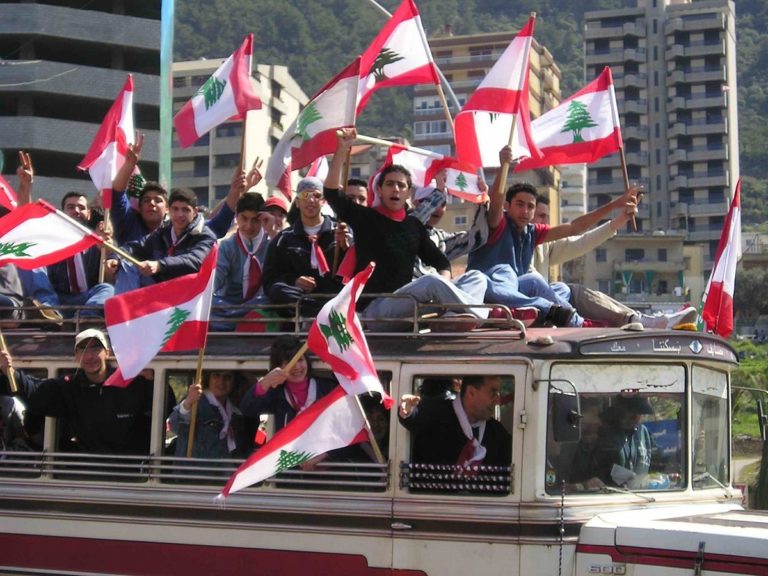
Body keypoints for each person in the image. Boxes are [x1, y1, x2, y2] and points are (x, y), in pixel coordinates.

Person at [324, 129, 488, 330]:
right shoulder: (365, 218)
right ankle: (482, 314)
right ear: (379, 190)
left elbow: (441, 261)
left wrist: (446, 282)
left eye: (401, 185)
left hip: (411, 304)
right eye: (390, 184)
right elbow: (332, 193)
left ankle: (453, 315)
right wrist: (341, 149)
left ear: (408, 193)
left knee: (477, 277)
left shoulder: (414, 226)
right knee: (430, 282)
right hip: (377, 309)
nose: (395, 189)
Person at [467, 146, 638, 327]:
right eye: (519, 204)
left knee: (561, 288)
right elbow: (495, 203)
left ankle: (567, 317)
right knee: (531, 279)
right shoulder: (497, 225)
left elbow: (575, 227)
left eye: (530, 207)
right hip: (488, 293)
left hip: (518, 294)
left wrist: (615, 205)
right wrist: (504, 166)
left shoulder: (531, 232)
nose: (525, 211)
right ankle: (580, 323)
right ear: (507, 206)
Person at [532, 196, 698, 329]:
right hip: (532, 309)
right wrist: (614, 205)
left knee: (571, 292)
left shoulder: (545, 244)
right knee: (566, 289)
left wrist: (621, 219)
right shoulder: (511, 240)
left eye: (547, 216)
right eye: (540, 215)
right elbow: (574, 228)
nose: (546, 221)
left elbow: (583, 241)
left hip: (552, 305)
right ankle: (641, 321)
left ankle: (640, 320)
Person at [0, 329, 157, 454]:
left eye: (96, 348)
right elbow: (35, 392)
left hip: (133, 474)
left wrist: (151, 381)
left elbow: (163, 408)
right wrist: (9, 371)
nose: (89, 356)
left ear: (107, 353)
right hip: (88, 471)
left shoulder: (132, 382)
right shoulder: (70, 387)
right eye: (82, 350)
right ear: (76, 357)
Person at [111, 135, 246, 243]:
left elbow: (219, 222)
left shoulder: (179, 230)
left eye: (158, 200)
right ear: (139, 207)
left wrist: (235, 190)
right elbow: (117, 193)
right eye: (146, 200)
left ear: (167, 209)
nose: (151, 204)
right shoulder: (128, 223)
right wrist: (129, 165)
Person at [262, 177, 343, 317]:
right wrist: (294, 280)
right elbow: (269, 281)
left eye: (317, 195)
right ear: (298, 202)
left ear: (323, 201)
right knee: (278, 290)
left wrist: (346, 246)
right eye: (305, 195)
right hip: (299, 300)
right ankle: (317, 314)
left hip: (333, 298)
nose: (311, 200)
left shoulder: (340, 232)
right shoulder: (283, 239)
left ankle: (323, 312)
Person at [110, 188, 217, 293]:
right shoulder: (162, 233)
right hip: (161, 291)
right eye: (175, 209)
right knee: (126, 267)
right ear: (169, 210)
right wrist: (114, 257)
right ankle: (124, 308)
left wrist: (159, 265)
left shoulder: (206, 236)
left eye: (185, 210)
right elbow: (135, 247)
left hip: (190, 293)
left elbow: (194, 261)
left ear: (195, 211)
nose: (180, 215)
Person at [398, 375, 511, 468]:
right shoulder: (436, 413)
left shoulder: (497, 432)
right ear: (471, 392)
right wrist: (407, 410)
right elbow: (413, 418)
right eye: (493, 392)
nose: (497, 400)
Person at [240, 335, 336, 432]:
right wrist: (265, 382)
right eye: (289, 362)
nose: (297, 367)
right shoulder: (276, 393)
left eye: (300, 360)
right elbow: (247, 409)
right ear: (278, 367)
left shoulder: (327, 388)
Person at [45, 192, 115, 318]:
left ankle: (83, 319)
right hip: (56, 300)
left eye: (82, 208)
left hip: (87, 300)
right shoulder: (49, 241)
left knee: (107, 289)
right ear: (62, 213)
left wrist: (106, 252)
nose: (76, 211)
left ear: (88, 214)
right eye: (71, 207)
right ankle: (51, 315)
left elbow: (111, 278)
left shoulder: (98, 242)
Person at [211, 192, 271, 330]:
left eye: (255, 220)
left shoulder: (271, 243)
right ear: (236, 216)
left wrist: (273, 232)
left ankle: (236, 322)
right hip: (229, 305)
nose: (248, 226)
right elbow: (215, 280)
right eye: (244, 218)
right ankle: (241, 321)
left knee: (270, 299)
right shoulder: (226, 246)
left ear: (263, 219)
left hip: (259, 303)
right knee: (209, 303)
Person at [169, 371, 249, 459]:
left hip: (225, 470)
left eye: (228, 377)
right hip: (195, 470)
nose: (221, 381)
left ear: (234, 382)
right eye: (216, 375)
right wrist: (187, 404)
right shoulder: (195, 402)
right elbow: (175, 426)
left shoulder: (236, 412)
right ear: (208, 379)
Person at [589, 395, 655, 487]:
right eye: (631, 413)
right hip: (611, 496)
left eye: (639, 413)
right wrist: (631, 480)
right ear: (619, 409)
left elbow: (653, 460)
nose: (636, 417)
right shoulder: (602, 432)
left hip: (642, 495)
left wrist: (667, 470)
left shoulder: (642, 432)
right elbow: (603, 467)